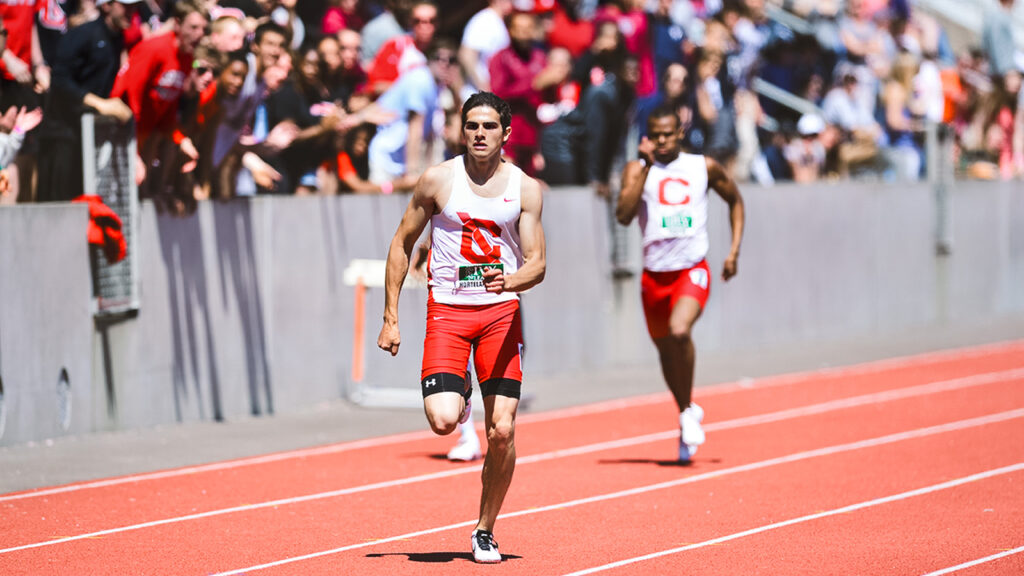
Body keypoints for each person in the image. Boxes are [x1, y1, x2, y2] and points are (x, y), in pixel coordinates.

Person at [377, 91, 546, 563]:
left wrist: (507, 280)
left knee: (502, 431)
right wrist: (390, 317)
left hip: (500, 314)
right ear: (460, 129)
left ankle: (485, 529)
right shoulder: (438, 181)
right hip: (448, 313)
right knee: (443, 421)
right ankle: (463, 390)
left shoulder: (524, 188)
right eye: (471, 125)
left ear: (506, 133)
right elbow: (401, 243)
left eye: (489, 126)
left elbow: (538, 264)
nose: (479, 134)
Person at [616, 104, 744, 463]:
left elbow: (735, 201)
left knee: (679, 331)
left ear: (679, 133)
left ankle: (687, 414)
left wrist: (733, 252)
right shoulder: (637, 169)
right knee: (666, 354)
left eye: (667, 134)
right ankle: (686, 410)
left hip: (692, 269)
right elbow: (624, 215)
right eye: (654, 135)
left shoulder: (701, 167)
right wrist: (642, 166)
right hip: (653, 276)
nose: (660, 141)